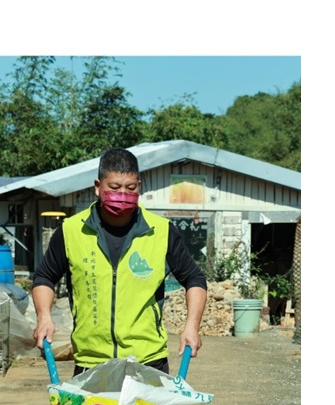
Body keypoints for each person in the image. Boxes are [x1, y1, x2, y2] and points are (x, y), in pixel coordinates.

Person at [32, 148, 207, 376]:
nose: (122, 194)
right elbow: (45, 277)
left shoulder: (161, 231)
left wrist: (192, 327)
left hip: (147, 362)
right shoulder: (71, 231)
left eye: (130, 188)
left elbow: (194, 278)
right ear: (98, 186)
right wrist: (44, 317)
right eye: (114, 188)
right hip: (91, 362)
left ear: (139, 186)